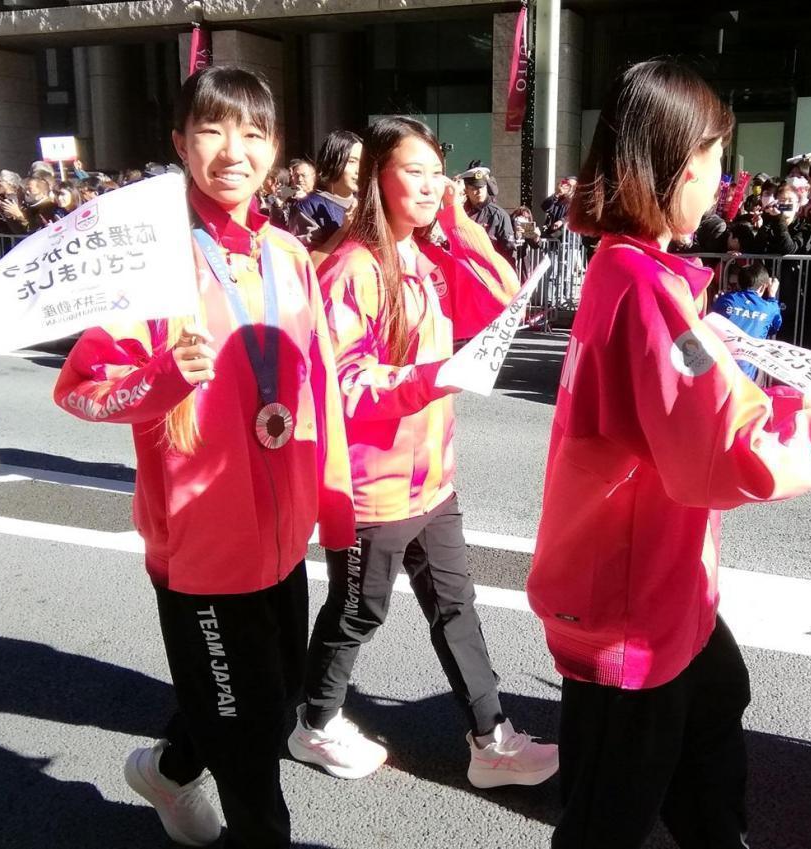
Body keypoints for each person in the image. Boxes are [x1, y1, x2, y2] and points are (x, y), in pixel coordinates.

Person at [525, 59, 811, 849]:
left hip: (656, 585)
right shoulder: (644, 286)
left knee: (716, 706)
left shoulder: (632, 269)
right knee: (611, 815)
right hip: (631, 610)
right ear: (668, 162)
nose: (723, 177)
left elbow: (703, 415)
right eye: (712, 156)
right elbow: (728, 451)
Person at [53, 66, 356, 849]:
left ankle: (170, 768)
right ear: (181, 142)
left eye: (254, 132)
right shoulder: (149, 262)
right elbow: (81, 389)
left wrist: (336, 509)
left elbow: (317, 385)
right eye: (214, 130)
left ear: (277, 148)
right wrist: (158, 377)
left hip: (283, 538)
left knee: (275, 696)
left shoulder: (288, 254)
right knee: (254, 747)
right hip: (200, 548)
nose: (234, 149)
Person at [289, 115, 559, 790]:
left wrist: (459, 225)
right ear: (376, 175)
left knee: (456, 604)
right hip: (372, 486)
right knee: (357, 610)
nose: (432, 182)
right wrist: (426, 379)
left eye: (438, 170)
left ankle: (490, 738)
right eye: (415, 170)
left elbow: (499, 301)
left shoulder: (421, 253)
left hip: (432, 479)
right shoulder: (351, 266)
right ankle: (313, 723)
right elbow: (343, 383)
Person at [710, 260, 781, 379]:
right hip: (746, 375)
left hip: (718, 368)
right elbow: (775, 328)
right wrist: (772, 295)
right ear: (764, 286)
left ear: (738, 283)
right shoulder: (769, 307)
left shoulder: (726, 299)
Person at [291, 130, 361, 250]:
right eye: (352, 161)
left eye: (363, 162)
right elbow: (306, 263)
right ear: (332, 162)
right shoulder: (308, 206)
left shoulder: (366, 203)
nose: (358, 169)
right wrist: (343, 231)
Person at [462, 167, 514, 260]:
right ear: (466, 190)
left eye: (482, 187)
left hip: (489, 269)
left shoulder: (498, 215)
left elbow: (508, 250)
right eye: (474, 188)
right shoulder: (460, 212)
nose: (479, 192)